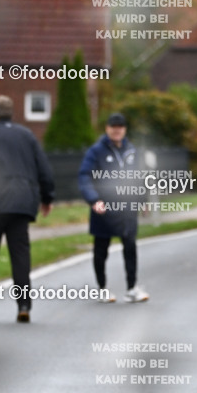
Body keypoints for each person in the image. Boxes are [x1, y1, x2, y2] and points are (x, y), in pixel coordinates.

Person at [0, 96, 54, 322]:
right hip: (21, 203)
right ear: (11, 112)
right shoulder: (27, 135)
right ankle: (23, 304)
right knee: (20, 255)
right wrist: (47, 197)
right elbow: (43, 167)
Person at [78, 113, 149, 303]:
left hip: (127, 208)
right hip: (104, 208)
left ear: (124, 129)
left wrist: (143, 200)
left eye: (120, 127)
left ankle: (132, 287)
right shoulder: (96, 152)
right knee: (101, 250)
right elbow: (85, 177)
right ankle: (102, 288)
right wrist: (94, 200)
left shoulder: (132, 151)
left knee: (130, 248)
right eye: (113, 127)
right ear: (107, 128)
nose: (117, 130)